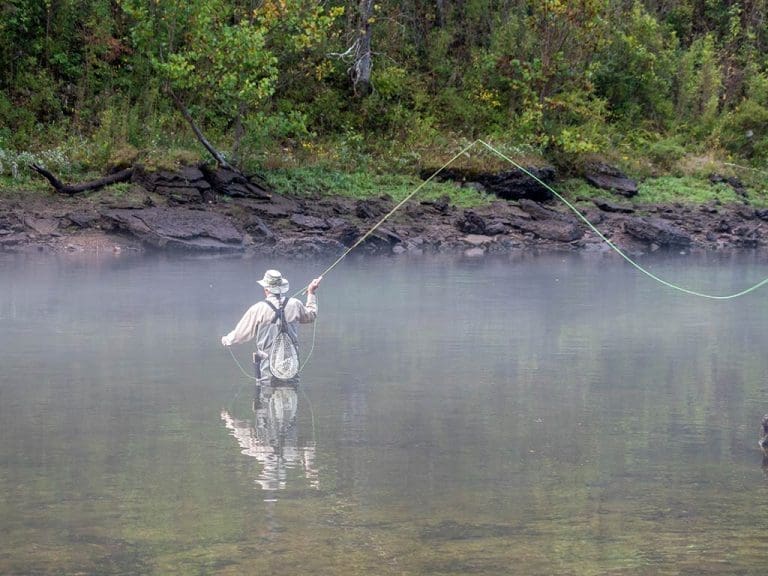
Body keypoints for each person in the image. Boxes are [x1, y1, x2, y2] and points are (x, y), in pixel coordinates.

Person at [221, 269, 321, 383]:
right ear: (282, 288)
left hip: (267, 369)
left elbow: (240, 334)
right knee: (291, 394)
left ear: (266, 289)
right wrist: (311, 293)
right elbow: (311, 315)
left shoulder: (258, 308)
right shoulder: (295, 304)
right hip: (291, 366)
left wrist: (227, 340)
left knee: (267, 395)